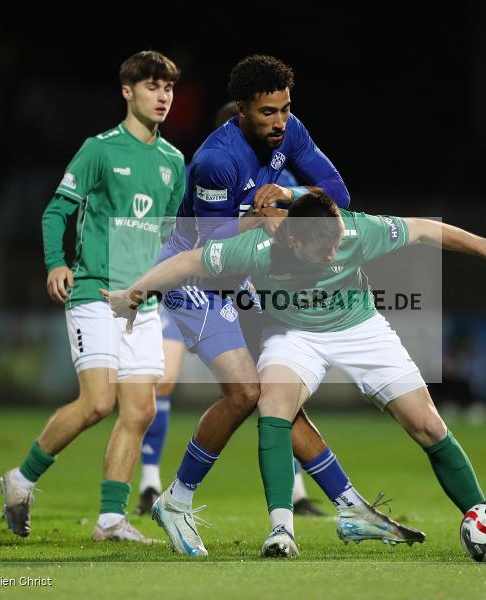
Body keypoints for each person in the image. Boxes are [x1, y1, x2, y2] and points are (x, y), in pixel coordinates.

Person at [103, 191, 486, 557]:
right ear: (294, 243)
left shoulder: (354, 231)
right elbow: (187, 263)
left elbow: (424, 229)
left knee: (427, 424)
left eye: (337, 243)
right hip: (293, 332)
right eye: (325, 250)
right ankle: (281, 530)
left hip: (360, 328)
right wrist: (136, 291)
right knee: (273, 404)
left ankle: (483, 520)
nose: (336, 252)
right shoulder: (261, 246)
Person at [119, 55, 422, 556]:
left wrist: (288, 195)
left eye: (284, 109)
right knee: (244, 392)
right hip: (195, 275)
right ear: (242, 109)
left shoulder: (290, 131)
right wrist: (259, 218)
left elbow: (338, 193)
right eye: (267, 112)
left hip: (243, 277)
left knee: (279, 397)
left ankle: (348, 505)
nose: (280, 121)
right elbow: (211, 247)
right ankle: (175, 499)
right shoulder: (218, 160)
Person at [0, 50, 185, 543]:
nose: (162, 96)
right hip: (95, 292)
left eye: (167, 88)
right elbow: (55, 212)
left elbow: (165, 235)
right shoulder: (99, 149)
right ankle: (20, 479)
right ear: (127, 91)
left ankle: (109, 520)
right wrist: (55, 262)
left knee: (140, 411)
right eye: (151, 86)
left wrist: (158, 285)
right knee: (98, 402)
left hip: (139, 303)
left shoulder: (173, 161)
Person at [134, 99, 323, 517]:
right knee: (168, 383)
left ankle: (297, 493)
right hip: (185, 280)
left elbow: (309, 215)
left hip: (239, 286)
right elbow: (192, 237)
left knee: (275, 382)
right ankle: (152, 484)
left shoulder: (279, 176)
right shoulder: (202, 172)